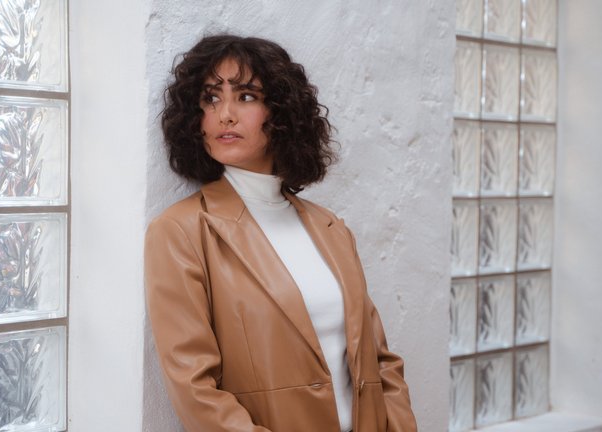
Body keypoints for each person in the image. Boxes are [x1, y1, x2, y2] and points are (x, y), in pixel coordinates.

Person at [145, 34, 417, 432]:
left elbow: (380, 362)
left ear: (283, 112)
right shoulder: (181, 232)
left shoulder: (331, 229)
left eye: (247, 97)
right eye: (210, 98)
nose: (225, 115)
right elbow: (195, 390)